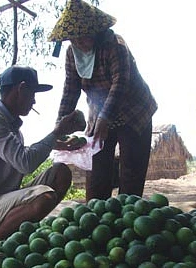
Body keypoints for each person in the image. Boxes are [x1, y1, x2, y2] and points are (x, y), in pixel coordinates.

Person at [48, 0, 158, 202]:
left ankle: (129, 216)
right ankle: (96, 214)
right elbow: (70, 89)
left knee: (131, 171)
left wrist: (105, 118)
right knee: (98, 171)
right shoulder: (72, 54)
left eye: (84, 37)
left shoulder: (115, 45)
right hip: (99, 112)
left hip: (133, 111)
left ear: (96, 31)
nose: (80, 42)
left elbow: (120, 83)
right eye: (74, 38)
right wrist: (60, 126)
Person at [0, 65, 85, 245]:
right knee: (44, 197)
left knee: (61, 173)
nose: (34, 102)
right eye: (32, 94)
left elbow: (19, 152)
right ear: (21, 89)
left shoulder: (12, 129)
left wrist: (61, 144)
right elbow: (24, 163)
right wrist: (57, 133)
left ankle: (19, 231)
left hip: (4, 205)